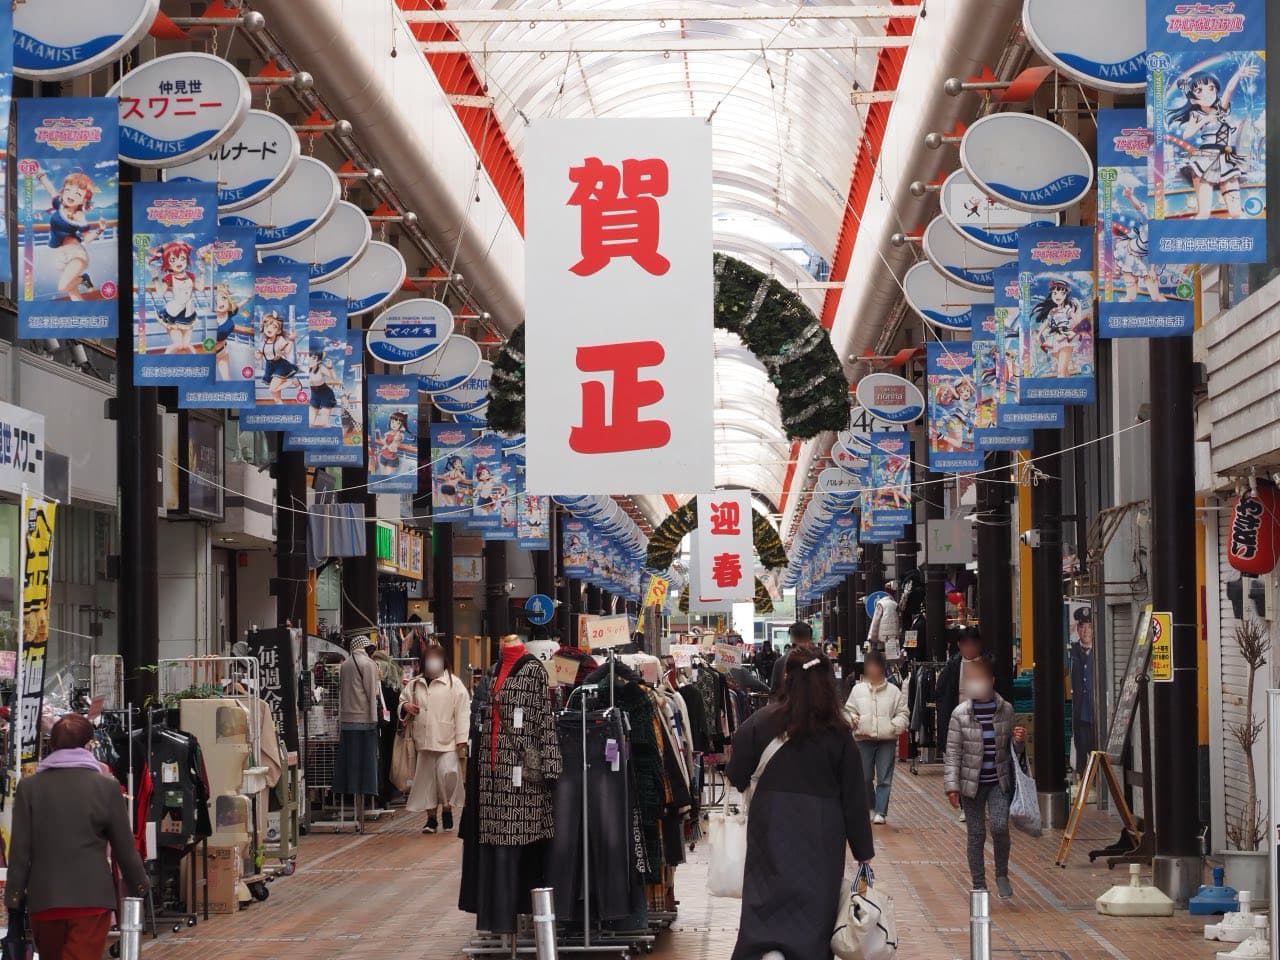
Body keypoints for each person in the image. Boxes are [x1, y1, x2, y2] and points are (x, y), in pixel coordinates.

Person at [727, 650, 874, 960]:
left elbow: (736, 773)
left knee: (765, 895)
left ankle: (764, 949)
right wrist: (863, 852)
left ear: (787, 679)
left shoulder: (761, 722)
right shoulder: (839, 732)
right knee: (815, 903)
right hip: (821, 829)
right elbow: (854, 798)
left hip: (770, 823)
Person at [6, 714, 148, 960]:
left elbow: (20, 850)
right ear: (89, 744)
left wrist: (14, 897)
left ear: (51, 745)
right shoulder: (107, 787)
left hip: (44, 899)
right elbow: (124, 849)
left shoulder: (29, 788)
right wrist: (140, 885)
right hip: (92, 897)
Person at [943, 657, 1026, 899]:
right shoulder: (960, 714)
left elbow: (1012, 750)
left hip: (998, 780)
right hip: (971, 784)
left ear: (991, 681)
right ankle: (979, 883)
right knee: (976, 833)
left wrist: (1019, 741)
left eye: (980, 679)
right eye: (972, 680)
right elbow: (953, 752)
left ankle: (1001, 873)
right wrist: (952, 786)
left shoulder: (1006, 710)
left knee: (1000, 826)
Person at [400, 641, 471, 833]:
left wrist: (462, 737)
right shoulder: (416, 683)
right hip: (423, 741)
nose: (433, 663)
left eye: (436, 659)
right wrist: (406, 707)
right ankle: (431, 819)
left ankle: (447, 805)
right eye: (429, 659)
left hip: (447, 739)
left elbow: (463, 712)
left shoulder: (454, 684)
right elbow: (403, 699)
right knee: (426, 782)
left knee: (448, 774)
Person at [846, 651, 909, 824]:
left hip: (886, 740)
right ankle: (871, 805)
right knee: (865, 777)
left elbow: (903, 713)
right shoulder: (857, 690)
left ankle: (881, 811)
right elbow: (848, 710)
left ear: (882, 668)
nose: (872, 669)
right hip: (863, 738)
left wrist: (894, 726)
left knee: (884, 777)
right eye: (869, 666)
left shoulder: (894, 691)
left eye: (875, 666)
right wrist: (852, 719)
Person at [335, 633, 383, 828]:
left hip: (347, 720)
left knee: (351, 764)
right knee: (366, 765)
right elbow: (371, 693)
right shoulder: (368, 665)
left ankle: (353, 803)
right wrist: (374, 719)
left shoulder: (344, 665)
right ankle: (363, 807)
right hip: (364, 719)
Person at [1069, 606, 1096, 774]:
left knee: (1097, 753)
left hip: (1097, 712)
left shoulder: (1101, 650)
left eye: (1089, 627)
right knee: (1081, 753)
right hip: (1080, 714)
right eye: (1082, 627)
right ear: (1077, 629)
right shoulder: (1071, 650)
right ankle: (1081, 785)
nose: (1085, 631)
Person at [770, 621, 816, 693]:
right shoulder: (820, 661)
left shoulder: (781, 662)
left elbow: (774, 692)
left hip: (787, 703)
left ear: (791, 639)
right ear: (810, 639)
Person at [868, 584, 902, 658]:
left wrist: (872, 637)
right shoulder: (895, 604)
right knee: (892, 657)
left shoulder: (881, 604)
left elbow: (876, 621)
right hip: (893, 637)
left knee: (881, 656)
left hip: (882, 637)